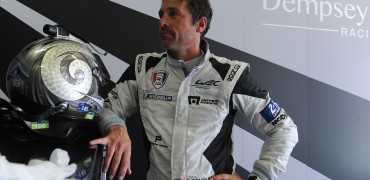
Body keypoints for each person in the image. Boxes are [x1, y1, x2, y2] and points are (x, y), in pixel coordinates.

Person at [89, 0, 299, 179]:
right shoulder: (143, 67)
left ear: (200, 24)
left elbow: (283, 129)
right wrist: (116, 127)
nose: (162, 22)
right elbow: (107, 107)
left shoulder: (230, 74)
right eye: (161, 14)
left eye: (173, 14)